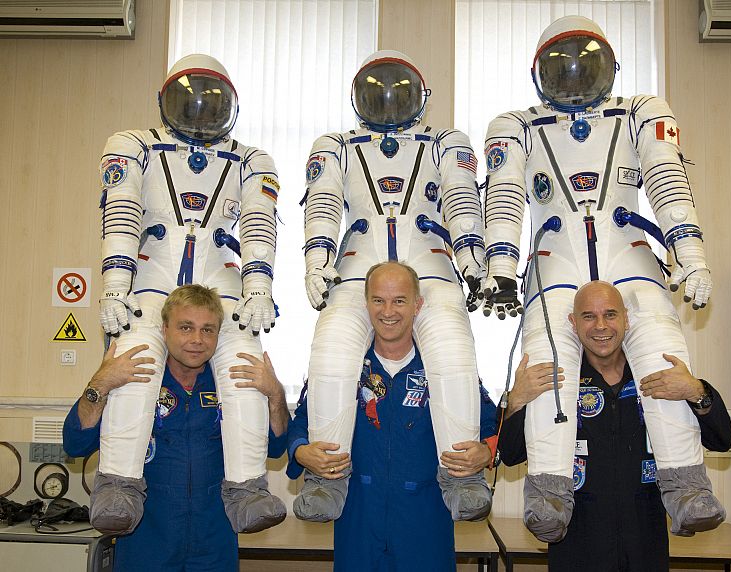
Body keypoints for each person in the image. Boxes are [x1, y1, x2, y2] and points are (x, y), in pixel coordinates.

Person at [481, 14, 723, 541]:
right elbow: (503, 196)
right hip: (556, 259)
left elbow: (666, 178)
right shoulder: (516, 125)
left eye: (583, 64)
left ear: (611, 65)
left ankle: (685, 489)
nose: (571, 77)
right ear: (538, 72)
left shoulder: (640, 111)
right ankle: (548, 494)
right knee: (548, 372)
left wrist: (691, 252)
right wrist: (499, 266)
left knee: (661, 354)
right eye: (559, 66)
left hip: (628, 252)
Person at [93, 53, 284, 534]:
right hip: (151, 278)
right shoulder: (133, 145)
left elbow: (260, 225)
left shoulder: (252, 157)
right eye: (189, 99)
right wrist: (115, 286)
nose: (199, 112)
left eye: (211, 101)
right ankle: (119, 484)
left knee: (245, 373)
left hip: (220, 284)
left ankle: (247, 489)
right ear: (165, 99)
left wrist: (259, 286)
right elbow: (122, 211)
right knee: (135, 366)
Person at [297, 50, 490, 522]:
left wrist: (474, 261)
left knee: (453, 355)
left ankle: (463, 475)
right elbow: (322, 204)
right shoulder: (335, 144)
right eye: (375, 90)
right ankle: (327, 476)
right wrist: (316, 260)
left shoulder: (445, 141)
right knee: (330, 356)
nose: (385, 100)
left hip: (431, 272)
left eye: (397, 90)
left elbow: (463, 201)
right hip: (357, 275)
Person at [497, 281, 731, 571]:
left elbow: (722, 439)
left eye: (610, 314)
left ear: (626, 319)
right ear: (573, 322)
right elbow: (510, 455)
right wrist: (516, 399)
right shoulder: (553, 381)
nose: (601, 326)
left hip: (645, 542)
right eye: (588, 316)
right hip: (576, 545)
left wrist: (696, 390)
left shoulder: (661, 375)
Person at [63, 284, 290, 572]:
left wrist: (275, 395)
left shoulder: (234, 386)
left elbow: (276, 448)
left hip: (213, 547)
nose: (197, 339)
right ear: (164, 329)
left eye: (208, 330)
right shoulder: (132, 380)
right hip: (146, 544)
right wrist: (99, 385)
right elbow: (75, 444)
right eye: (186, 327)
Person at [288, 262, 498, 571]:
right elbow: (301, 423)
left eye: (399, 300)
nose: (389, 311)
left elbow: (490, 424)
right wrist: (302, 451)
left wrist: (487, 451)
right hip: (358, 521)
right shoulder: (342, 368)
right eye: (378, 300)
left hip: (426, 524)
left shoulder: (445, 367)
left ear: (418, 304)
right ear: (366, 303)